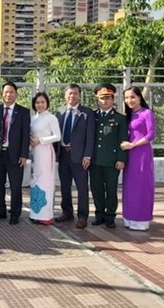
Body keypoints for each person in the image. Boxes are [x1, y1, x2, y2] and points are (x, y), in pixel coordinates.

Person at [0, 81, 30, 225]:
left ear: (16, 94)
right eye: (6, 92)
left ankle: (15, 214)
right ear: (1, 94)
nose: (8, 95)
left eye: (11, 92)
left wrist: (24, 155)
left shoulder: (23, 112)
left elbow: (25, 135)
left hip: (15, 155)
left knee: (16, 186)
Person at [55, 83, 95, 229]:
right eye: (70, 93)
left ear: (80, 95)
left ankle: (83, 216)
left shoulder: (87, 113)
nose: (72, 96)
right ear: (65, 95)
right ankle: (67, 212)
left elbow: (90, 136)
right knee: (65, 186)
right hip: (63, 155)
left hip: (80, 157)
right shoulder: (59, 112)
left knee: (82, 187)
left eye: (75, 93)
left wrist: (88, 155)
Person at [90, 84, 128, 229]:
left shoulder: (120, 118)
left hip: (112, 161)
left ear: (113, 99)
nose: (104, 102)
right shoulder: (92, 116)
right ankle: (99, 214)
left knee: (111, 190)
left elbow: (122, 140)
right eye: (101, 98)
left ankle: (110, 216)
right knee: (96, 188)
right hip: (95, 160)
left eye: (107, 98)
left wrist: (121, 159)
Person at [120, 86, 157, 231]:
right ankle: (129, 217)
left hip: (141, 154)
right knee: (130, 187)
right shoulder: (128, 115)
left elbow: (151, 134)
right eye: (127, 97)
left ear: (140, 97)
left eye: (132, 97)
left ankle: (141, 220)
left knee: (142, 186)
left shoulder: (147, 113)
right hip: (130, 155)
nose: (130, 100)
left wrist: (133, 144)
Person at [28, 92, 61, 225]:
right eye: (37, 102)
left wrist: (40, 140)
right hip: (35, 153)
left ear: (47, 103)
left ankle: (46, 216)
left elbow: (57, 136)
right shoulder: (32, 118)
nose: (40, 105)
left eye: (42, 102)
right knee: (35, 181)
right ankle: (35, 213)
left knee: (45, 183)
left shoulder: (51, 118)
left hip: (46, 152)